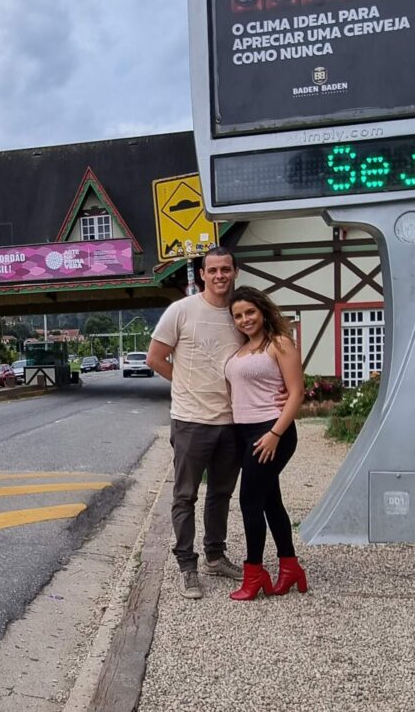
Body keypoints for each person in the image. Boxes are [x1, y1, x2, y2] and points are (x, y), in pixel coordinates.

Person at [147, 247, 246, 600]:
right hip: (191, 420)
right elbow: (155, 358)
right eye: (213, 270)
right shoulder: (181, 311)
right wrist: (185, 385)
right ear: (202, 274)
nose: (220, 276)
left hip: (232, 420)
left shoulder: (240, 314)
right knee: (185, 495)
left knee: (220, 494)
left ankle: (215, 556)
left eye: (226, 270)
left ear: (235, 272)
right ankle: (187, 565)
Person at [224, 286, 307, 601]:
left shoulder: (280, 343)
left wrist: (274, 434)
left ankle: (254, 573)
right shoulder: (241, 350)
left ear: (262, 311)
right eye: (238, 315)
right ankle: (290, 567)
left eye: (250, 312)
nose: (245, 319)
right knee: (270, 502)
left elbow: (296, 392)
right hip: (246, 432)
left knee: (249, 502)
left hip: (271, 432)